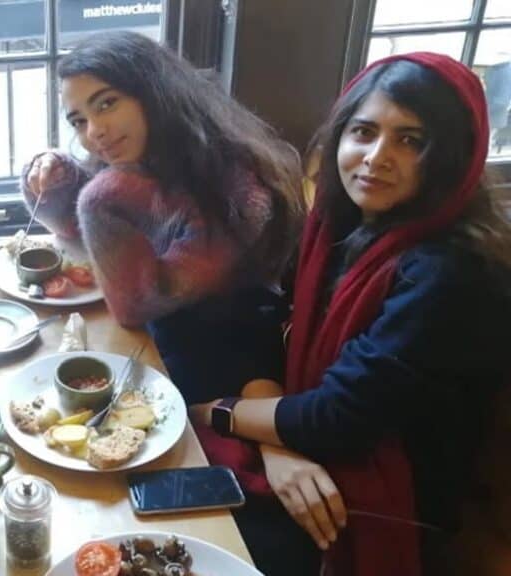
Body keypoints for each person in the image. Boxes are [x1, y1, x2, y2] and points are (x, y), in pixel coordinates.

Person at [190, 52, 511, 576]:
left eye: (411, 140)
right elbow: (273, 325)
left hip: (394, 501)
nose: (377, 156)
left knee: (190, 528)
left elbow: (339, 418)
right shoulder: (338, 225)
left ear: (453, 156)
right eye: (364, 131)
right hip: (315, 446)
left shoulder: (452, 271)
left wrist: (211, 412)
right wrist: (279, 448)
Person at [21, 31, 305, 403]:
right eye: (78, 120)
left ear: (153, 92)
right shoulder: (146, 159)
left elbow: (137, 303)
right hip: (164, 340)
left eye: (106, 104)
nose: (95, 132)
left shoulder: (239, 186)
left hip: (229, 352)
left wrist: (96, 199)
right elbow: (72, 231)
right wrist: (60, 179)